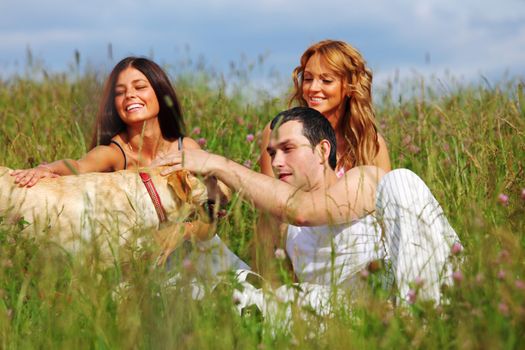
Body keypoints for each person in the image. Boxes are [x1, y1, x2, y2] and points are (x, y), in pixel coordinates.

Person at [157, 106, 460, 305]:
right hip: (332, 312)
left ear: (322, 150)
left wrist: (219, 163)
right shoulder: (280, 220)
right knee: (209, 261)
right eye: (272, 153)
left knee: (401, 181)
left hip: (397, 298)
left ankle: (429, 314)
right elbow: (265, 274)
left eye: (287, 149)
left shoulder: (365, 180)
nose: (276, 162)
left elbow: (305, 210)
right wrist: (205, 197)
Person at [10, 56, 249, 274]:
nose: (130, 96)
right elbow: (79, 166)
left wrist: (182, 231)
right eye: (120, 92)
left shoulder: (185, 148)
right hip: (142, 262)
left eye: (140, 87)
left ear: (159, 92)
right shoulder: (116, 152)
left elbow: (209, 223)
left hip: (195, 249)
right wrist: (48, 168)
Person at [255, 40, 392, 274]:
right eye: (308, 79)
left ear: (349, 86)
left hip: (357, 260)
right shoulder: (279, 131)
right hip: (300, 255)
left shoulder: (369, 142)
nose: (313, 88)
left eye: (326, 80)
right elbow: (271, 214)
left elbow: (386, 215)